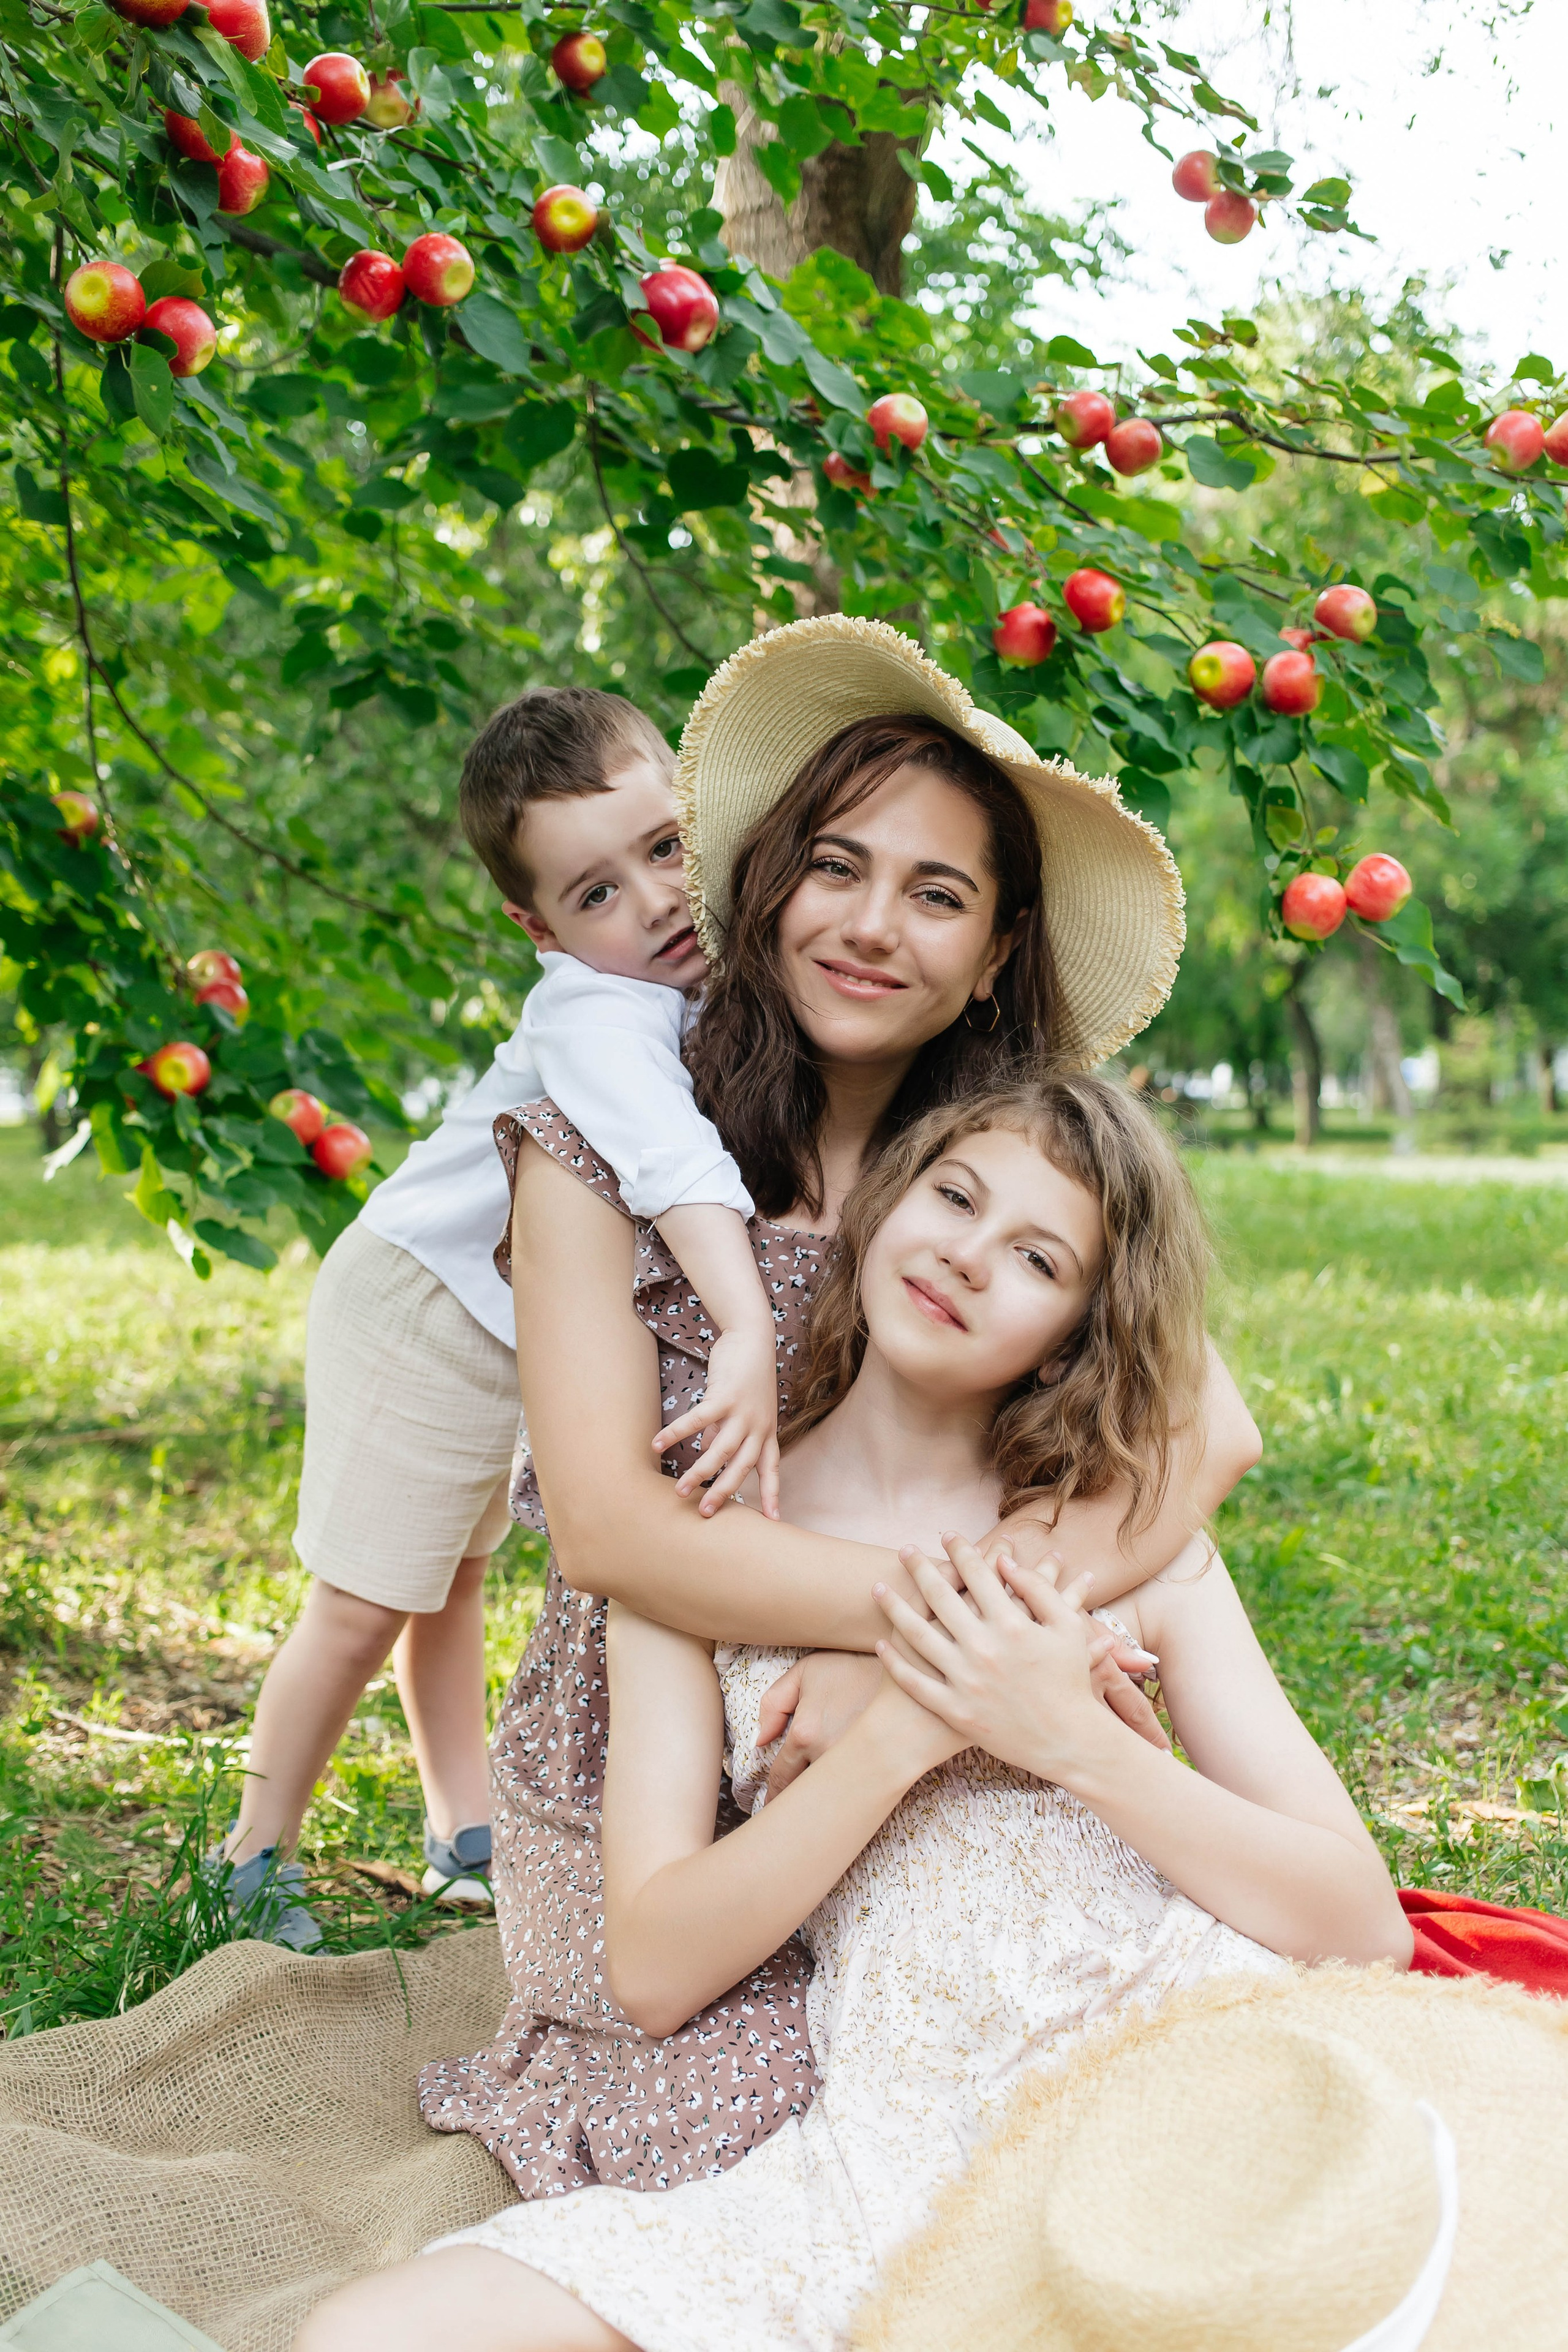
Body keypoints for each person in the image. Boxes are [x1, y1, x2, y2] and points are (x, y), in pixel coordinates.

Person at [303, 1074, 1411, 2352]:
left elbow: (1360, 1924)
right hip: (906, 2131)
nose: (965, 1256)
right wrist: (907, 1725)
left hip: (1181, 2040)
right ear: (884, 1204)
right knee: (380, 2333)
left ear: (1068, 1333)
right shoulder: (706, 1549)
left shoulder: (1122, 1544)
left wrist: (1066, 1739)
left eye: (1035, 1258)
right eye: (952, 1197)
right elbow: (653, 1968)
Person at [418, 614, 1265, 2191]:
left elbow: (1203, 1434)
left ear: (998, 949)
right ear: (767, 880)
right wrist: (928, 1641)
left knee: (1043, 2064)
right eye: (836, 865)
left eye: (935, 894)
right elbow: (608, 1530)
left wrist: (939, 1674)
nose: (870, 927)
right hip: (662, 1753)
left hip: (939, 1726)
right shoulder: (597, 1142)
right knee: (741, 2119)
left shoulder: (999, 1163)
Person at [211, 687, 783, 1946]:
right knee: (366, 1600)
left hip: (494, 1318)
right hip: (423, 1303)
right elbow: (666, 1165)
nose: (649, 901)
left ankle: (463, 1835)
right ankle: (248, 1858)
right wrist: (746, 1327)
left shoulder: (675, 978)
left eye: (666, 849)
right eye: (594, 894)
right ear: (536, 927)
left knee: (451, 1583)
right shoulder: (595, 1011)